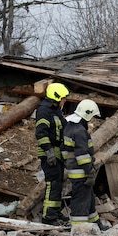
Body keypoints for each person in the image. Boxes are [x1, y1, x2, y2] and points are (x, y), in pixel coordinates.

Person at [63, 99, 103, 228]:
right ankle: (78, 227)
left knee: (88, 198)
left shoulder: (70, 126)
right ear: (87, 114)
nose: (91, 120)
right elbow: (82, 156)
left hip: (74, 168)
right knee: (81, 199)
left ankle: (95, 223)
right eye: (91, 116)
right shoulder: (79, 131)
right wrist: (89, 173)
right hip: (80, 171)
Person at [35, 82, 69, 226]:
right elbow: (41, 133)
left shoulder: (56, 111)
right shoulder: (44, 110)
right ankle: (49, 217)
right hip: (49, 153)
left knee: (58, 184)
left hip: (57, 152)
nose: (64, 101)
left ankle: (55, 211)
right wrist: (49, 151)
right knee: (52, 184)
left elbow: (63, 128)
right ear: (56, 97)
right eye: (63, 98)